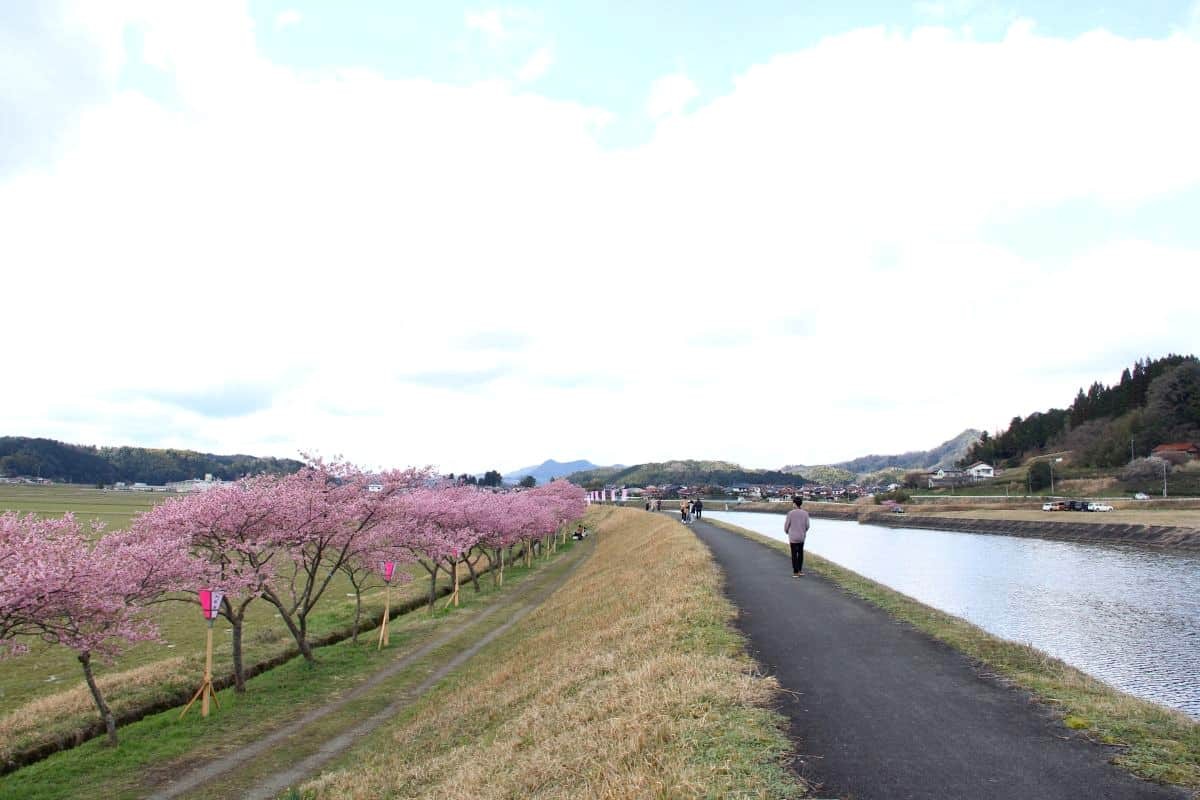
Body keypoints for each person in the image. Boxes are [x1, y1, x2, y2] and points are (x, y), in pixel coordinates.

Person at [784, 495, 810, 577]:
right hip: (802, 536)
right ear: (800, 504)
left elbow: (786, 525)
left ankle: (795, 572)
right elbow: (807, 525)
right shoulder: (805, 513)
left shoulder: (790, 513)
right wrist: (803, 531)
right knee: (801, 553)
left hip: (793, 537)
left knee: (794, 554)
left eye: (793, 503)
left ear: (795, 504)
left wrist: (787, 531)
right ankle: (800, 570)